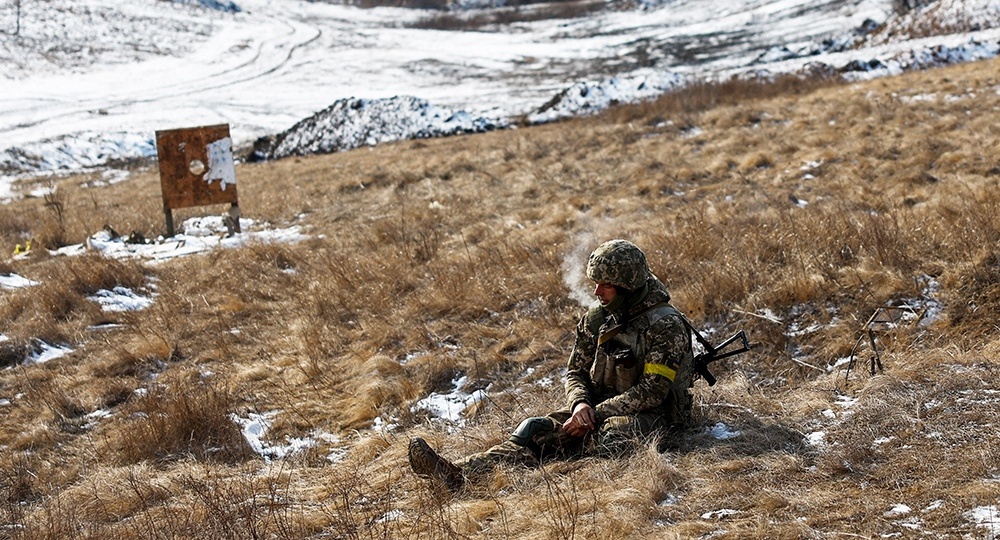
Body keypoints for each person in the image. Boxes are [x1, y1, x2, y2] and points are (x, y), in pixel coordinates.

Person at [408, 239, 695, 491]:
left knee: (613, 437)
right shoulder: (599, 318)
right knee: (533, 429)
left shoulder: (665, 326)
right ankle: (458, 474)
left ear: (628, 287)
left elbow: (652, 393)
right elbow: (575, 372)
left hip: (656, 415)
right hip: (596, 409)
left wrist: (593, 414)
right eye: (595, 282)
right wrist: (580, 406)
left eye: (606, 285)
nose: (596, 291)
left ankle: (558, 452)